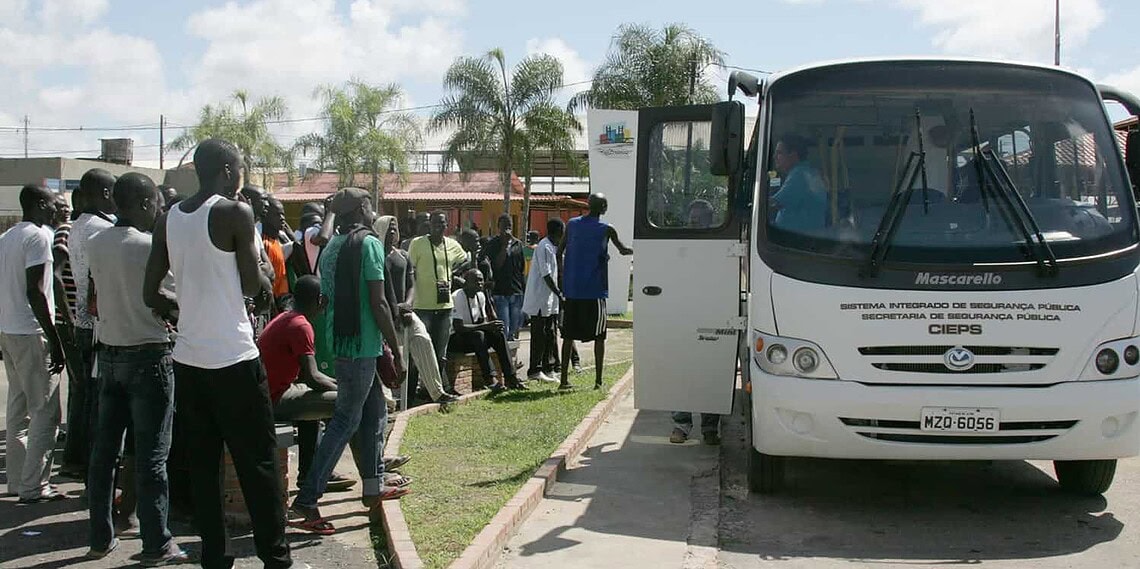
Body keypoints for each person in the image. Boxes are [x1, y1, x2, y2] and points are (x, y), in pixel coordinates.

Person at [144, 138, 291, 569]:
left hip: (189, 361)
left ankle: (214, 556)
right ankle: (275, 558)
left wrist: (181, 309)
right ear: (228, 170)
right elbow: (253, 288)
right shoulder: (235, 212)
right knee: (258, 465)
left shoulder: (169, 217)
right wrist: (265, 269)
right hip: (234, 358)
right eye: (241, 168)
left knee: (204, 468)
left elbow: (150, 292)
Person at [290, 188, 409, 536]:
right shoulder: (370, 245)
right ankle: (307, 499)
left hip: (342, 342)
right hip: (363, 345)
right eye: (370, 205)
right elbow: (379, 303)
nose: (374, 212)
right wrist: (396, 349)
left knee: (375, 414)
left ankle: (373, 484)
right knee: (345, 419)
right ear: (361, 209)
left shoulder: (332, 248)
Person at [85, 173, 188, 563]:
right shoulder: (151, 249)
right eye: (158, 204)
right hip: (150, 357)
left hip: (109, 356)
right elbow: (172, 301)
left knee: (104, 455)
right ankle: (156, 543)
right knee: (151, 458)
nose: (160, 210)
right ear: (146, 204)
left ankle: (100, 536)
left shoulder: (96, 243)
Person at [257, 275, 356, 492]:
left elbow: (312, 378)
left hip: (269, 393)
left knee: (313, 406)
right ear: (320, 300)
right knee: (351, 404)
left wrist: (340, 384)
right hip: (273, 398)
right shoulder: (301, 326)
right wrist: (349, 391)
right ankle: (330, 472)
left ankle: (310, 473)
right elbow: (313, 377)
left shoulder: (286, 317)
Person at [1, 184, 65, 504]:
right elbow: (36, 290)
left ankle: (17, 480)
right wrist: (54, 339)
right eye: (54, 203)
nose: (57, 209)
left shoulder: (8, 236)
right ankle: (35, 486)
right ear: (40, 204)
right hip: (31, 331)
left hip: (9, 330)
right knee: (45, 411)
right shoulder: (39, 236)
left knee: (18, 409)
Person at [373, 215, 456, 405]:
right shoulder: (375, 256)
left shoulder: (402, 255)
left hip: (406, 312)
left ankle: (437, 392)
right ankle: (387, 400)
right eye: (389, 228)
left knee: (423, 340)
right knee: (387, 356)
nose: (392, 232)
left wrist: (408, 304)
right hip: (383, 313)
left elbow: (412, 284)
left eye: (395, 228)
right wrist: (394, 310)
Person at [69, 168, 118, 481]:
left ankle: (78, 462)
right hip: (99, 325)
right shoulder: (102, 229)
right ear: (104, 194)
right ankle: (94, 472)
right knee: (100, 405)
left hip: (81, 324)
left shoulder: (76, 225)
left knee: (83, 397)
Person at [559, 193, 632, 390]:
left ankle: (564, 380)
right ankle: (598, 382)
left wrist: (563, 279)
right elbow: (623, 250)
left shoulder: (572, 224)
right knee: (599, 336)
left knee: (568, 336)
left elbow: (560, 252)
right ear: (604, 208)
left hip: (572, 290)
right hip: (594, 291)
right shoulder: (607, 229)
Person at [670, 199, 722, 445]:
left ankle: (710, 428)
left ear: (709, 221)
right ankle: (681, 424)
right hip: (683, 316)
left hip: (712, 315)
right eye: (691, 220)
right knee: (682, 372)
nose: (693, 224)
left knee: (711, 373)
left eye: (698, 220)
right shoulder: (678, 245)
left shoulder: (721, 245)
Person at [407, 211, 466, 395]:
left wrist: (452, 275)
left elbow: (465, 258)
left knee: (440, 354)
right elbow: (410, 271)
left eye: (441, 223)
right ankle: (411, 392)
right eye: (434, 223)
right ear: (429, 225)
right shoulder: (417, 244)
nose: (438, 226)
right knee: (418, 352)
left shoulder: (452, 245)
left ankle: (436, 391)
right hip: (422, 307)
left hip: (444, 308)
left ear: (447, 225)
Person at [450, 269, 526, 392]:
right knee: (479, 335)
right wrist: (485, 326)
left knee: (499, 333)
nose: (480, 284)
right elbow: (459, 327)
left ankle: (510, 377)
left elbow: (483, 322)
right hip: (456, 338)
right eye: (476, 281)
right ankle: (490, 379)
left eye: (481, 280)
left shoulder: (481, 296)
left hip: (474, 336)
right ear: (466, 282)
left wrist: (492, 326)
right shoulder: (457, 297)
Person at [522, 219, 564, 383]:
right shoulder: (543, 247)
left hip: (549, 301)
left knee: (551, 334)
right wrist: (559, 293)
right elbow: (546, 275)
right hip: (540, 299)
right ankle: (535, 369)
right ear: (558, 230)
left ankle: (549, 367)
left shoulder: (553, 247)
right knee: (539, 335)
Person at [769, 134, 827, 233]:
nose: (775, 157)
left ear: (793, 155)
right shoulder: (809, 172)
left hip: (795, 239)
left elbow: (773, 203)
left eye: (779, 153)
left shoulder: (799, 175)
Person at [485, 214, 526, 341]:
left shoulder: (517, 244)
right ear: (498, 227)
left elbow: (521, 268)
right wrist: (504, 246)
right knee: (504, 328)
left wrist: (523, 290)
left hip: (516, 292)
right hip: (500, 292)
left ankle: (513, 358)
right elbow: (496, 266)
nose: (507, 229)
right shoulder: (493, 244)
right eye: (504, 226)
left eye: (509, 226)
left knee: (514, 329)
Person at [262, 196, 292, 308]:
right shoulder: (265, 244)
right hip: (273, 304)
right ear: (266, 216)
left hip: (283, 301)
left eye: (283, 214)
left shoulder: (277, 241)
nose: (282, 218)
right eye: (277, 214)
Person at [453, 228, 493, 293]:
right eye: (476, 241)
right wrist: (459, 280)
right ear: (466, 242)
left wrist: (474, 256)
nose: (478, 244)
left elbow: (474, 274)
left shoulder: (472, 255)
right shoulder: (456, 255)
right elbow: (451, 274)